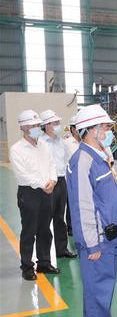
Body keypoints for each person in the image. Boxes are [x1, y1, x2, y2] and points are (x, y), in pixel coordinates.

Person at [66, 104, 117, 317]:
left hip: (109, 236)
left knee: (100, 289)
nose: (109, 131)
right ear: (90, 130)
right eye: (105, 127)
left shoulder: (97, 155)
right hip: (98, 241)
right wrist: (91, 245)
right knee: (98, 289)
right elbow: (82, 206)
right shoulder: (82, 160)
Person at [9, 110, 59, 280]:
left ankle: (44, 263)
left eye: (38, 125)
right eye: (33, 125)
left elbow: (52, 165)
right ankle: (27, 266)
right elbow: (22, 175)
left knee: (45, 229)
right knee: (29, 231)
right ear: (23, 127)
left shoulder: (43, 145)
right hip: (29, 193)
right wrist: (42, 185)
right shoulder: (17, 149)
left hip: (47, 191)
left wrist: (52, 180)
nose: (36, 128)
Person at [39, 110, 77, 259]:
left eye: (58, 123)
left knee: (60, 218)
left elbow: (67, 162)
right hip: (47, 183)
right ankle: (44, 257)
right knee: (44, 220)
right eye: (55, 123)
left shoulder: (61, 142)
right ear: (46, 126)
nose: (58, 125)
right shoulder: (40, 142)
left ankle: (61, 250)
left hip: (62, 182)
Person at [63, 115, 80, 236]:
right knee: (72, 204)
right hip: (71, 179)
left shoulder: (86, 142)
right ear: (73, 129)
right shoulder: (66, 143)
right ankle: (71, 227)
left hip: (85, 178)